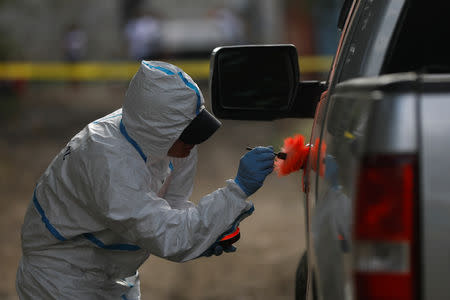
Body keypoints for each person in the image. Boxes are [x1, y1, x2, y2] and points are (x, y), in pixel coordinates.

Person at [16, 61, 275, 299]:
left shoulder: (165, 138)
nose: (194, 142)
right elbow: (168, 235)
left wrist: (210, 233)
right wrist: (236, 191)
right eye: (187, 134)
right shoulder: (108, 161)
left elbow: (172, 207)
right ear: (157, 132)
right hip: (60, 275)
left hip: (113, 271)